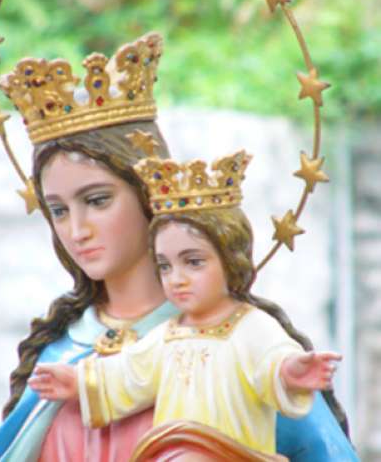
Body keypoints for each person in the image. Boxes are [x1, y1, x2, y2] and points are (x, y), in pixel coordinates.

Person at [0, 33, 357, 461]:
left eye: (97, 201)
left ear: (147, 196)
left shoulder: (236, 340)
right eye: (59, 210)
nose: (77, 230)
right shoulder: (64, 353)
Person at [28, 149, 341, 459]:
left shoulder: (251, 326)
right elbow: (128, 374)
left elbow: (271, 361)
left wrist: (290, 372)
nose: (176, 279)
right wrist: (78, 382)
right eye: (164, 266)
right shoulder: (169, 334)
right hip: (171, 450)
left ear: (230, 261)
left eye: (193, 262)